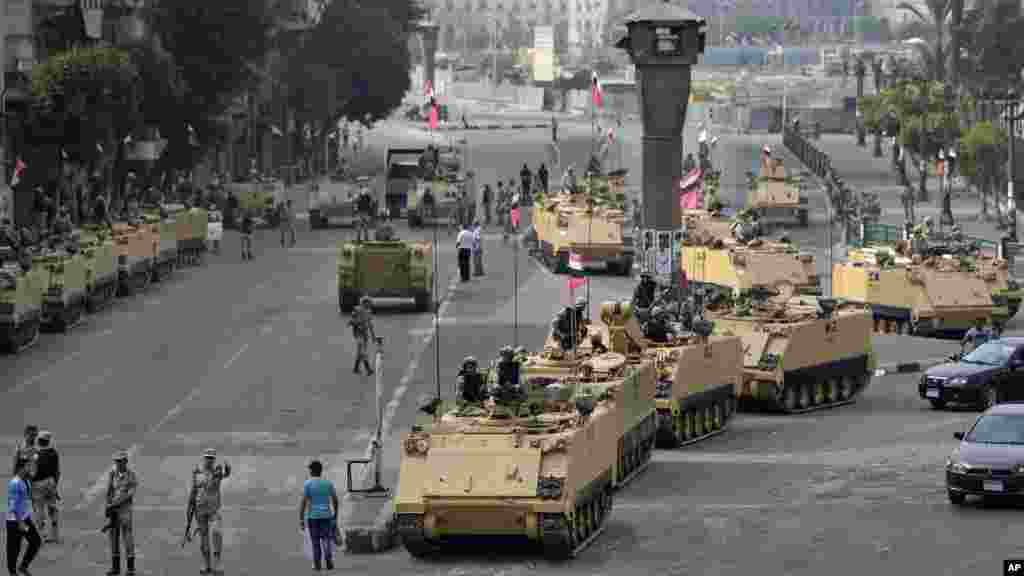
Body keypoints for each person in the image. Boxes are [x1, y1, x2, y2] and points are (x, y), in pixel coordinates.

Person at [189, 449, 231, 575]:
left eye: (211, 458)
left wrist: (228, 468)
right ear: (203, 458)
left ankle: (217, 563)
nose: (209, 460)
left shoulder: (217, 471)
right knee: (204, 539)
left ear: (214, 460)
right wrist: (190, 506)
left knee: (217, 532)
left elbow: (226, 473)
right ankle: (206, 564)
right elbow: (193, 489)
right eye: (207, 457)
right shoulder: (197, 471)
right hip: (200, 510)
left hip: (214, 509)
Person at [300, 460, 339, 572]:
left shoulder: (308, 484)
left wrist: (301, 519)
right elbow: (335, 500)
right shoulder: (328, 483)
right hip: (326, 516)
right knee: (326, 539)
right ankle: (328, 559)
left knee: (315, 541)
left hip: (313, 517)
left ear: (311, 471)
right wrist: (335, 515)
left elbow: (303, 502)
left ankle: (317, 564)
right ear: (321, 471)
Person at [7, 456, 40, 576]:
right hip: (15, 521)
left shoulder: (26, 479)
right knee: (14, 548)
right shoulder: (15, 483)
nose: (29, 468)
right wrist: (20, 522)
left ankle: (23, 566)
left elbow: (29, 494)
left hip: (25, 518)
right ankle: (12, 572)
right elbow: (13, 505)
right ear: (21, 468)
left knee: (36, 541)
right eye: (27, 466)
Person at [105, 450, 137, 576]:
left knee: (128, 538)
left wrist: (114, 504)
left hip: (125, 510)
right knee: (113, 538)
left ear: (126, 462)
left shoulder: (131, 475)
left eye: (120, 461)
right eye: (116, 461)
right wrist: (107, 506)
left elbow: (129, 495)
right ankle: (115, 568)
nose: (118, 463)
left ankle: (130, 568)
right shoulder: (112, 473)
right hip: (114, 510)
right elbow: (109, 490)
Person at [30, 432, 58, 544]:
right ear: (48, 441)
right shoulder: (54, 453)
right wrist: (55, 486)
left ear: (39, 441)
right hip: (51, 482)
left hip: (38, 484)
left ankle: (43, 535)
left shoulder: (35, 454)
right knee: (52, 508)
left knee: (39, 510)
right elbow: (57, 471)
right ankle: (55, 534)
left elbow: (33, 472)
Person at [350, 297, 376, 375]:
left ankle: (356, 368)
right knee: (363, 351)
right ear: (364, 303)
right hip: (358, 333)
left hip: (365, 334)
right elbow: (352, 320)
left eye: (370, 303)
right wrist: (357, 323)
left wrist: (373, 336)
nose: (370, 305)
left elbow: (370, 325)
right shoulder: (356, 309)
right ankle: (368, 369)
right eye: (368, 303)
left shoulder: (369, 312)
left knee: (360, 352)